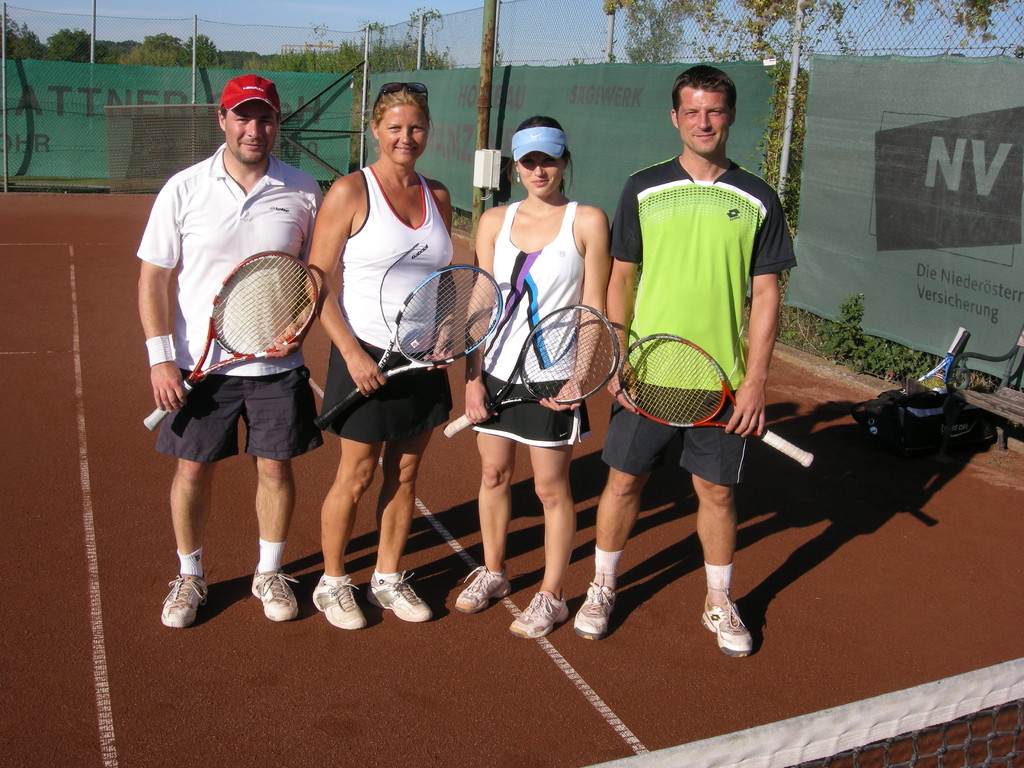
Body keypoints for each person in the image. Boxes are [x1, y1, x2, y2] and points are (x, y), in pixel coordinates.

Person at [572, 65, 797, 656]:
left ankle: (720, 600)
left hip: (720, 383)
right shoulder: (641, 188)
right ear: (675, 118)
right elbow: (622, 276)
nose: (704, 122)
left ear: (730, 115)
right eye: (692, 111)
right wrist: (617, 355)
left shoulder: (758, 197)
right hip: (647, 373)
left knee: (718, 495)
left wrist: (755, 381)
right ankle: (602, 585)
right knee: (622, 483)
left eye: (715, 110)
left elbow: (767, 293)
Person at [138, 74, 323, 629]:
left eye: (264, 118)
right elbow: (153, 278)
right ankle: (190, 576)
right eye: (242, 117)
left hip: (276, 366)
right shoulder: (185, 188)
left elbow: (314, 272)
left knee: (275, 468)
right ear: (222, 121)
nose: (254, 129)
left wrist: (297, 320)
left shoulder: (303, 189)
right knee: (192, 471)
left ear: (276, 124)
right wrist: (160, 356)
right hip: (201, 366)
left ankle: (269, 571)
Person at [453, 117, 611, 639]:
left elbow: (593, 306)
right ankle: (494, 572)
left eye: (548, 158)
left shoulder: (586, 220)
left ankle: (552, 594)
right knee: (494, 475)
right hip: (495, 371)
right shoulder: (494, 220)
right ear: (514, 166)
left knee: (549, 489)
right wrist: (472, 377)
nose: (539, 169)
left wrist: (580, 379)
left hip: (553, 378)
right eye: (528, 161)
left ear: (565, 159)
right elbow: (480, 298)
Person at [308, 81, 453, 630]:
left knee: (407, 472)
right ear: (375, 130)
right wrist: (350, 353)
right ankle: (333, 582)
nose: (406, 137)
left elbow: (443, 281)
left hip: (420, 359)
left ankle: (387, 578)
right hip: (363, 354)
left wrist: (443, 331)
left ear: (427, 131)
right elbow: (316, 284)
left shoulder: (437, 195)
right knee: (357, 472)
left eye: (415, 127)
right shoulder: (349, 192)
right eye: (394, 127)